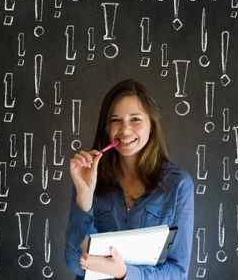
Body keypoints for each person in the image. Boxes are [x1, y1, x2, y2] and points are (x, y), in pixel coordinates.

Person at [65, 79, 194, 280]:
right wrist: (84, 194)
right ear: (106, 129)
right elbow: (75, 262)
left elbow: (178, 272)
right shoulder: (88, 178)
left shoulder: (178, 185)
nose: (125, 130)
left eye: (135, 119)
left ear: (152, 125)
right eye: (115, 120)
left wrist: (123, 272)